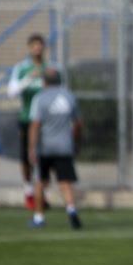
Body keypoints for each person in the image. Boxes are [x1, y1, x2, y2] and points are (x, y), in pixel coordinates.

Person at [27, 67, 82, 230]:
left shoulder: (40, 98)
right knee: (65, 182)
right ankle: (71, 210)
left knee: (40, 183)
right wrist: (76, 142)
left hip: (45, 147)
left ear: (44, 82)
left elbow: (35, 124)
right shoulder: (69, 97)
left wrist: (31, 147)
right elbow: (78, 124)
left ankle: (39, 217)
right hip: (65, 145)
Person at [7, 33, 47, 210]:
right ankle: (29, 191)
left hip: (47, 121)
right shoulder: (22, 68)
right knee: (26, 157)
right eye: (34, 45)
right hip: (27, 119)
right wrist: (29, 78)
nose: (37, 48)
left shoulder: (51, 67)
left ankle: (41, 193)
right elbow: (11, 92)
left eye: (40, 45)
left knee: (45, 158)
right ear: (29, 48)